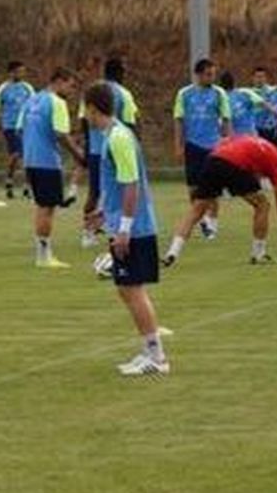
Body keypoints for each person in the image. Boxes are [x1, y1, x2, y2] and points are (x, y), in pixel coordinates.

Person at [81, 83, 168, 377]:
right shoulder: (113, 136)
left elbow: (132, 185)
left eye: (85, 110)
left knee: (132, 289)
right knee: (126, 289)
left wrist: (125, 229)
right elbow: (122, 185)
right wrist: (105, 214)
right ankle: (149, 350)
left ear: (93, 108)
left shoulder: (118, 137)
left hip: (135, 228)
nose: (84, 116)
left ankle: (156, 356)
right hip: (125, 223)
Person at [163, 133, 277, 266]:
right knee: (263, 205)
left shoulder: (261, 144)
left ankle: (172, 253)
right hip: (232, 164)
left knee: (196, 211)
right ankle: (258, 254)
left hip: (213, 159)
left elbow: (225, 141)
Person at [20, 68, 85, 268]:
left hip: (31, 160)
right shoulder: (57, 103)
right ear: (59, 81)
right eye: (71, 85)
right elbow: (61, 134)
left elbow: (19, 128)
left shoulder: (32, 100)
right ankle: (44, 257)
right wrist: (79, 155)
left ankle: (43, 254)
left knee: (42, 207)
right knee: (47, 209)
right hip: (46, 161)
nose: (72, 91)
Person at [77, 56, 139, 248]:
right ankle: (119, 228)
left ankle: (88, 232)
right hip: (115, 148)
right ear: (120, 73)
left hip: (96, 150)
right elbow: (131, 122)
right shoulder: (123, 94)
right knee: (122, 187)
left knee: (94, 192)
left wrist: (87, 147)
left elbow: (82, 120)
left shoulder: (92, 92)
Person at [172, 57, 233, 240]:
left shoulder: (219, 93)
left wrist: (228, 142)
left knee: (212, 188)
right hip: (193, 145)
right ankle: (202, 220)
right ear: (198, 75)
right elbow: (178, 120)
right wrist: (178, 145)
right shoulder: (184, 94)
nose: (212, 77)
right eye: (208, 74)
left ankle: (212, 223)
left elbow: (226, 119)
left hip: (214, 146)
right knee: (193, 188)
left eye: (213, 74)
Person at [0, 60, 35, 203]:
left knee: (26, 155)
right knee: (16, 154)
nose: (22, 74)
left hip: (26, 126)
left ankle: (27, 187)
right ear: (11, 73)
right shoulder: (3, 89)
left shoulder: (27, 87)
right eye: (19, 71)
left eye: (23, 71)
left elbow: (35, 105)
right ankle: (9, 180)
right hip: (9, 126)